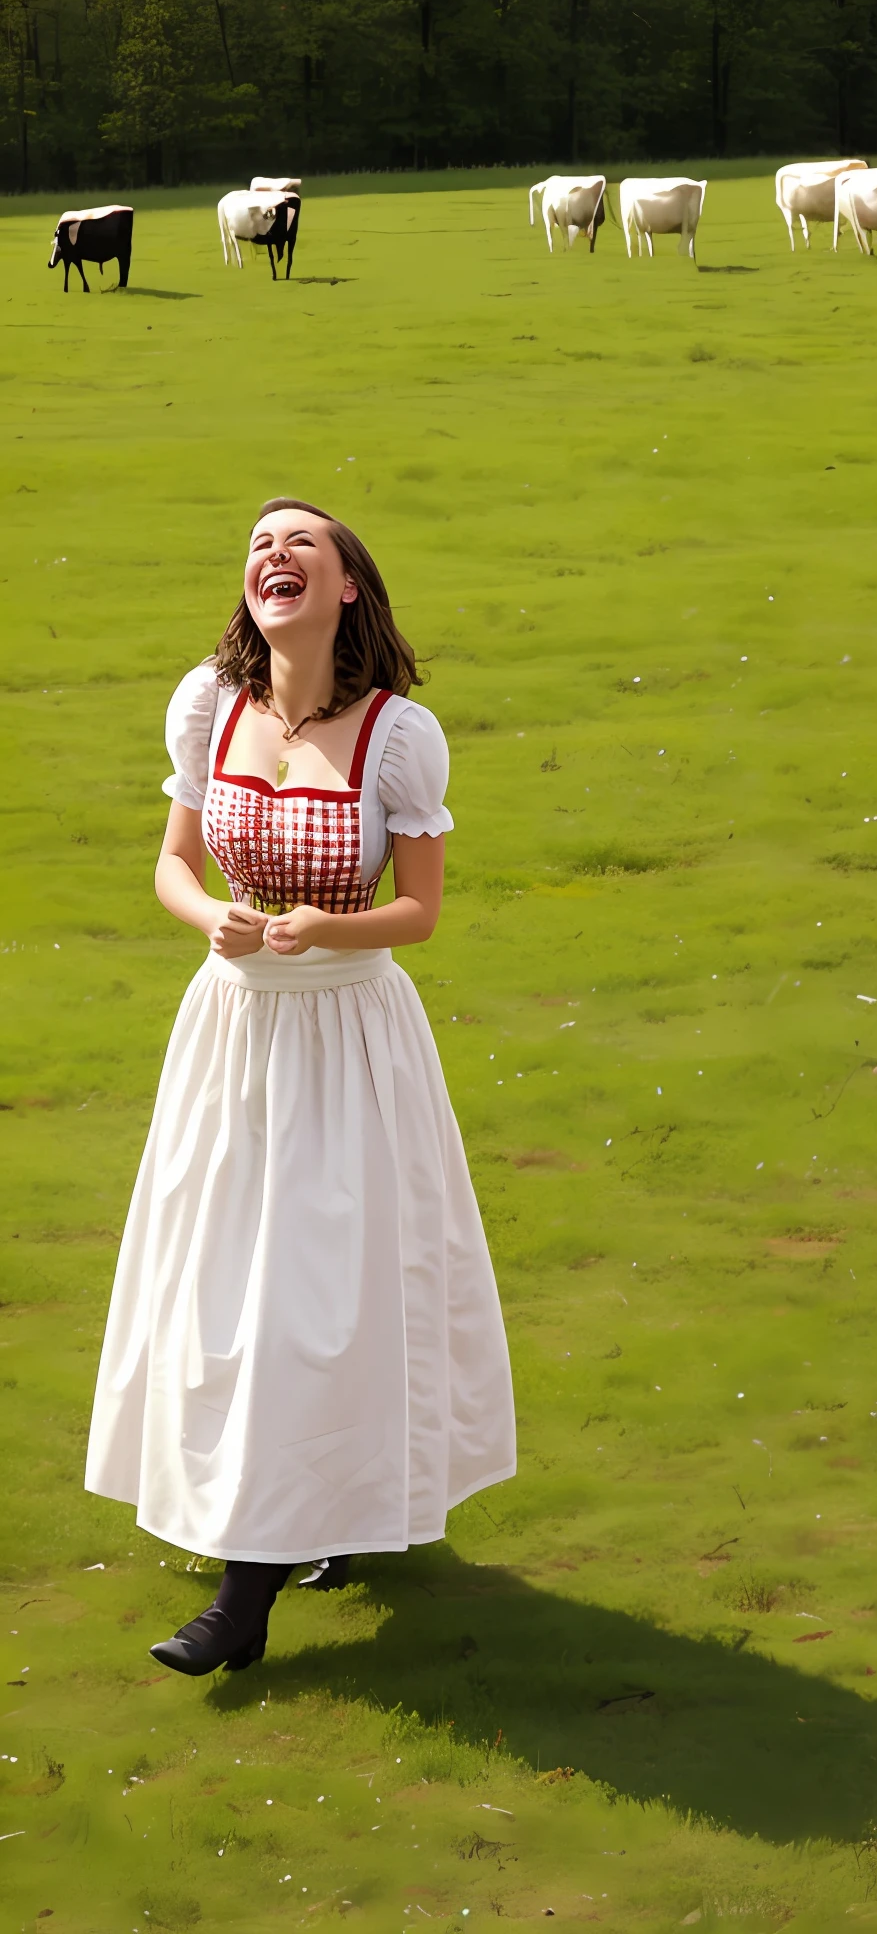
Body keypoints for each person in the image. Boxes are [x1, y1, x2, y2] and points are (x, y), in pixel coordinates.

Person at [85, 499, 517, 1675]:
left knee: (319, 1300)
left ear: (349, 591)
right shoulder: (208, 704)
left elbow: (421, 910)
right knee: (224, 1283)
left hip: (350, 1041)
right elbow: (173, 862)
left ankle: (244, 1598)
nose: (274, 557)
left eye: (302, 546)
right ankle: (280, 1517)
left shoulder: (397, 735)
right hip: (231, 1033)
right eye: (260, 546)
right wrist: (210, 915)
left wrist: (332, 923)